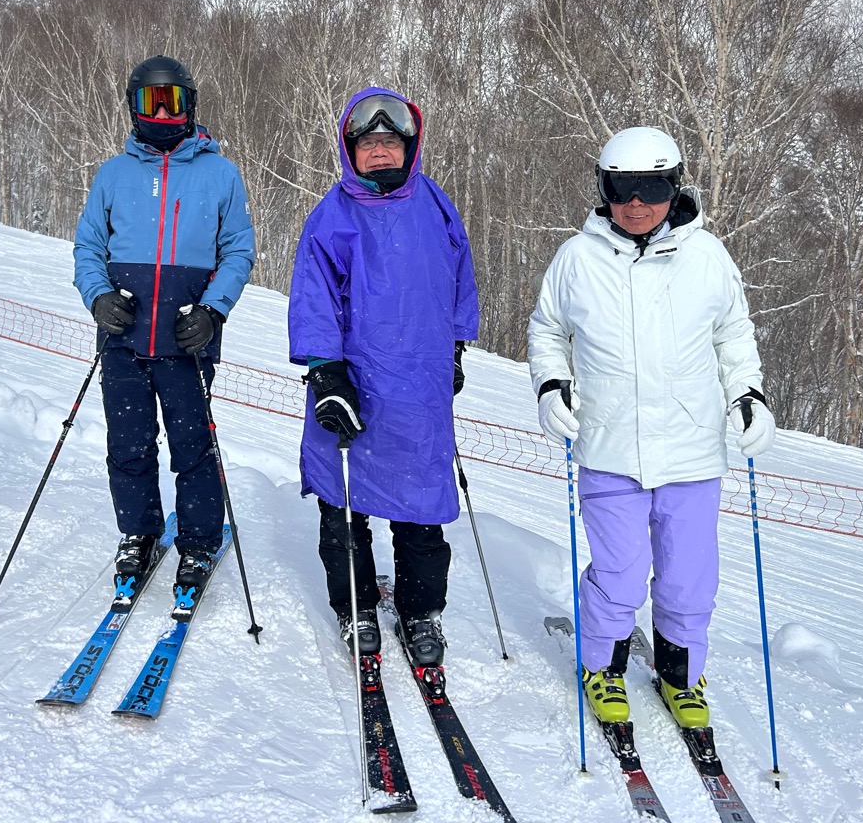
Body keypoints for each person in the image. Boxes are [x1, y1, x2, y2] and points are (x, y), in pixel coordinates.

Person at [527, 125, 774, 730]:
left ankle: (680, 676)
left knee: (690, 576)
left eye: (651, 187)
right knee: (619, 571)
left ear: (675, 186)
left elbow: (733, 335)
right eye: (621, 188)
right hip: (609, 447)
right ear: (603, 188)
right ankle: (603, 668)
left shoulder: (707, 256)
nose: (635, 203)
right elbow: (548, 331)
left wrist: (749, 394)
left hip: (694, 453)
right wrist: (550, 386)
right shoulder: (577, 258)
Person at [288, 87, 479, 667]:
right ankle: (357, 605)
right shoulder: (331, 216)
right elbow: (314, 296)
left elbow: (459, 278)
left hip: (418, 384)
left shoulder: (436, 205)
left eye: (389, 142)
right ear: (351, 151)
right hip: (353, 383)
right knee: (344, 503)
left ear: (409, 146)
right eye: (367, 144)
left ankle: (421, 611)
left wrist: (455, 347)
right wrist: (325, 373)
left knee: (420, 506)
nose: (379, 153)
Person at [72, 55, 256, 593]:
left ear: (189, 105)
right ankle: (139, 533)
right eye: (149, 102)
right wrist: (99, 296)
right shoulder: (114, 173)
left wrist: (212, 309)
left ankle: (198, 543)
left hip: (186, 339)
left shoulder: (220, 173)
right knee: (129, 444)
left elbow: (238, 250)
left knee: (193, 445)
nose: (161, 113)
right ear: (132, 107)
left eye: (170, 101)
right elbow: (88, 246)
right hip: (124, 338)